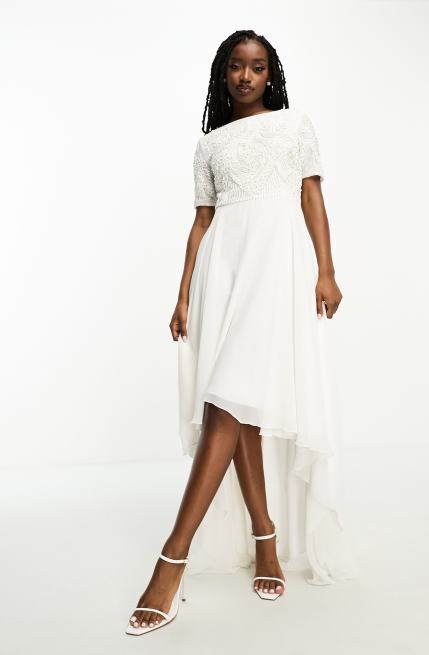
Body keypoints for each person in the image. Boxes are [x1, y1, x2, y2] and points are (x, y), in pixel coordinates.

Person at [126, 29, 357, 636]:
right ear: (223, 74)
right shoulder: (209, 144)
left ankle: (171, 560)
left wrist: (327, 270)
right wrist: (183, 293)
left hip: (276, 267)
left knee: (227, 401)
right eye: (236, 66)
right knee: (238, 403)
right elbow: (201, 223)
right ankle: (265, 539)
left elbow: (311, 197)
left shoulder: (294, 125)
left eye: (257, 66)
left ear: (270, 74)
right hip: (222, 271)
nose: (246, 76)